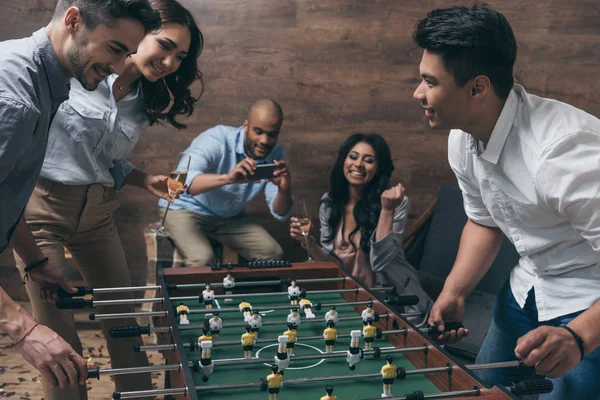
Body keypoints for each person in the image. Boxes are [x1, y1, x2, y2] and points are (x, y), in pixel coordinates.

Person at [12, 1, 202, 398]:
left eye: (180, 56)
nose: (169, 61)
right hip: (42, 209)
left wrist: (143, 178)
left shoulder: (143, 99)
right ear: (141, 34)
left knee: (126, 327)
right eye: (164, 45)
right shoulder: (75, 68)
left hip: (98, 214)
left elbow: (105, 161)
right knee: (63, 346)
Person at [412, 4, 600, 399]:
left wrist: (579, 337)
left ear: (477, 88)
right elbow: (484, 220)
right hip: (523, 292)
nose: (419, 93)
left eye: (430, 81)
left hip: (586, 311)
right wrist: (455, 291)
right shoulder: (461, 138)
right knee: (477, 391)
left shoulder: (563, 153)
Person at [290, 133, 431, 324]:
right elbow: (330, 261)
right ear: (344, 161)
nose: (358, 164)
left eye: (369, 160)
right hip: (347, 299)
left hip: (393, 302)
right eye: (353, 157)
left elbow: (383, 262)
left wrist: (387, 210)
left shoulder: (395, 203)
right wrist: (308, 242)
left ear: (378, 168)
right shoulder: (329, 203)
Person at [160, 99, 293, 266]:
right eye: (258, 131)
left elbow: (280, 213)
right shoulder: (216, 139)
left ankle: (243, 292)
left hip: (228, 218)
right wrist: (228, 178)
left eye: (272, 134)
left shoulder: (276, 154)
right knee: (203, 259)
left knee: (273, 254)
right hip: (184, 208)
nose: (265, 141)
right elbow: (177, 183)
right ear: (245, 126)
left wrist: (284, 190)